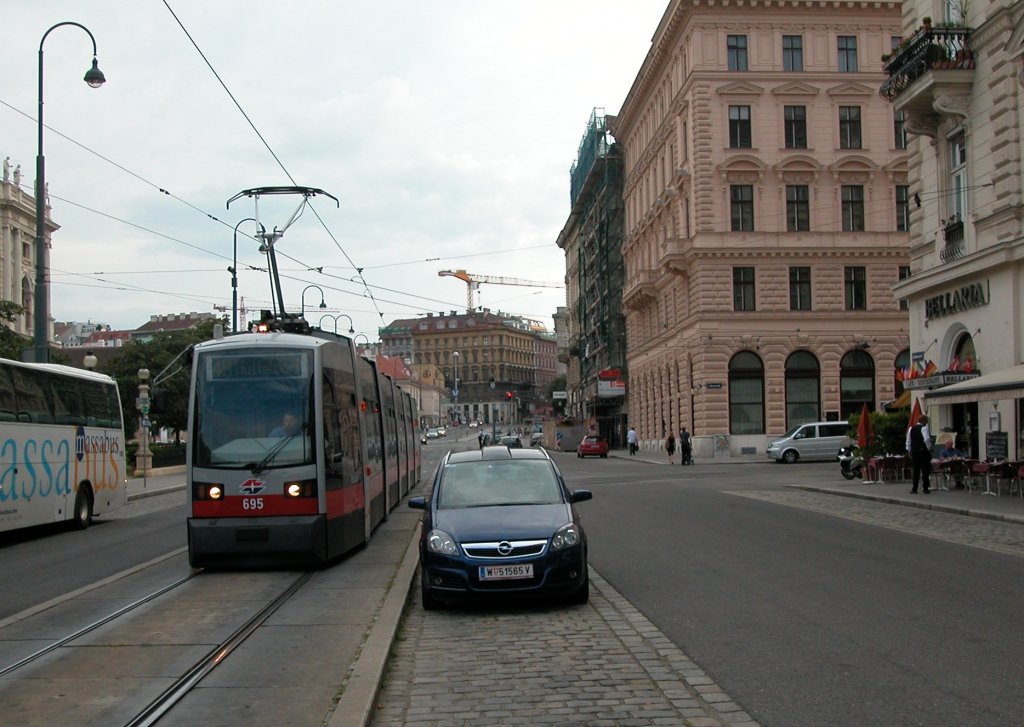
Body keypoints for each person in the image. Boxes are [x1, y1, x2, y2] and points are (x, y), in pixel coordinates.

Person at [906, 414, 933, 494]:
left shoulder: (911, 428)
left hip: (914, 451)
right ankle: (925, 488)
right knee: (925, 470)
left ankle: (914, 488)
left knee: (916, 470)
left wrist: (909, 450)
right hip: (923, 452)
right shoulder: (924, 428)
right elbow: (926, 439)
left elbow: (908, 441)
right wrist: (930, 448)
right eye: (926, 421)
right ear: (923, 421)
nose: (927, 423)